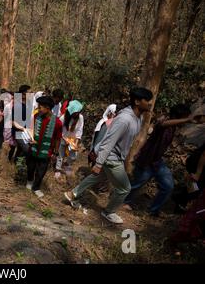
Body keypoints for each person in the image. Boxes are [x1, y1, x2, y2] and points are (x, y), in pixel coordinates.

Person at [64, 87, 153, 224]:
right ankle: (108, 212)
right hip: (111, 157)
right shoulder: (124, 119)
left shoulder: (137, 118)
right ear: (137, 101)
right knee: (124, 188)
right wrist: (99, 163)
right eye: (147, 100)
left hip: (116, 156)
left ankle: (72, 194)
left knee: (96, 177)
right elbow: (108, 141)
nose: (150, 103)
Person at [124, 104, 200, 216]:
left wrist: (192, 120)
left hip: (157, 162)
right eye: (185, 116)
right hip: (146, 159)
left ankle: (153, 210)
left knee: (168, 186)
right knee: (137, 183)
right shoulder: (164, 121)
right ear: (179, 116)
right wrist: (187, 119)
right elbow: (162, 124)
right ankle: (124, 201)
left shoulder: (173, 126)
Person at [26, 96, 63, 198]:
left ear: (47, 108)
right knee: (30, 167)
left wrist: (55, 153)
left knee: (41, 171)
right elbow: (31, 130)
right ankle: (29, 181)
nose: (38, 108)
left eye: (40, 106)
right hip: (33, 148)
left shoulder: (58, 123)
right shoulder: (36, 117)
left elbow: (57, 139)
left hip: (46, 151)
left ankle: (36, 187)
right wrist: (29, 138)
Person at [172, 142, 205, 213]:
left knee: (195, 188)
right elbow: (204, 155)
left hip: (200, 166)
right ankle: (181, 204)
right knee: (195, 189)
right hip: (197, 163)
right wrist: (198, 173)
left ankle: (178, 198)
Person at [55, 100, 84, 175]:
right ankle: (58, 169)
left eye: (78, 111)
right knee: (60, 154)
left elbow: (79, 130)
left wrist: (76, 142)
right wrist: (65, 139)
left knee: (73, 156)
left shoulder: (80, 118)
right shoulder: (63, 118)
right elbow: (61, 131)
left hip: (73, 140)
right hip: (63, 138)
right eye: (76, 112)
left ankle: (67, 166)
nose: (78, 113)